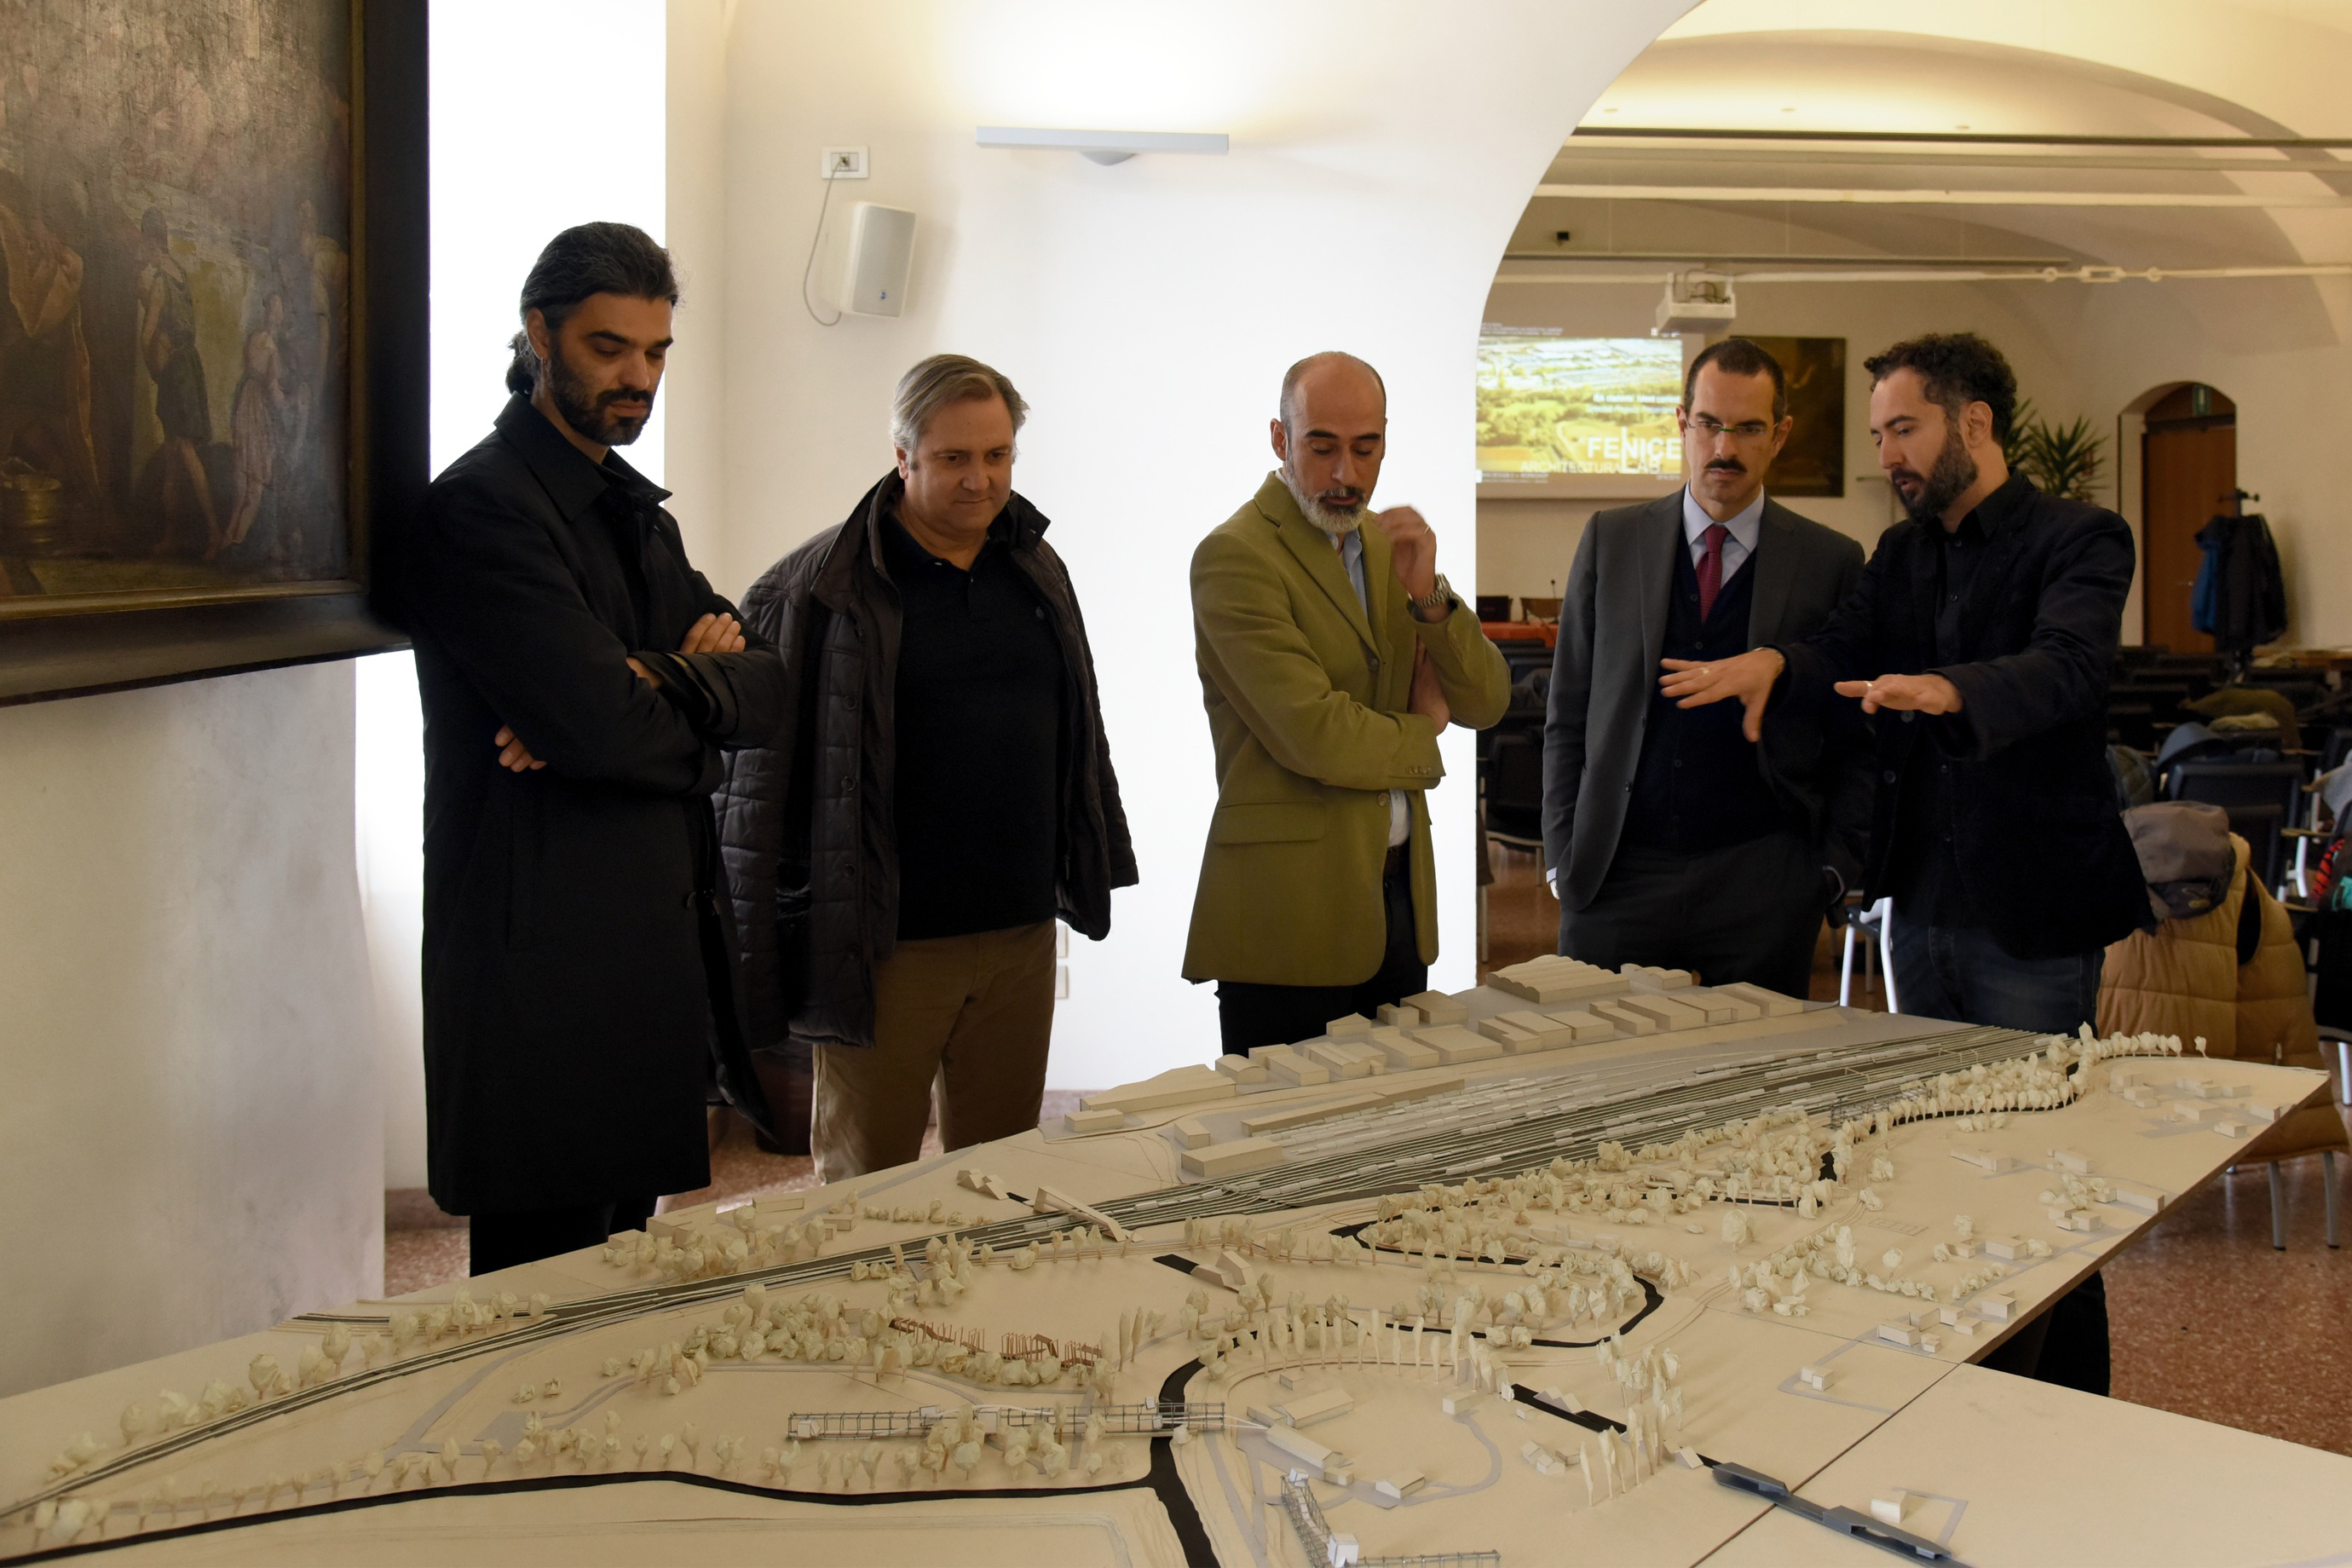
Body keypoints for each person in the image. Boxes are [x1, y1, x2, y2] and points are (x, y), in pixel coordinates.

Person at [1660, 330, 2143, 1392]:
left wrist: (1952, 689)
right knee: (1940, 1162)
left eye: (1905, 429)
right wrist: (1775, 662)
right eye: (1880, 435)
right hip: (1919, 906)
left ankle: (2067, 1396)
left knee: (2036, 1164)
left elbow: (2068, 668)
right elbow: (1842, 644)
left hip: (2032, 909)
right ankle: (1968, 1381)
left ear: (1973, 423)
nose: (1890, 455)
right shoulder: (1905, 553)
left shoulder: (2083, 536)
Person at [382, 222, 788, 1274]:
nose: (638, 379)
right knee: (534, 1304)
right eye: (611, 349)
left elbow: (768, 685)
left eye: (655, 354)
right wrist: (661, 710)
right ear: (539, 334)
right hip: (539, 964)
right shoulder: (479, 510)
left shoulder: (631, 513)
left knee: (616, 1278)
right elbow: (601, 727)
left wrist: (654, 678)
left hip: (640, 949)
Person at [718, 355, 1134, 1183]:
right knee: (868, 1189)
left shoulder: (1036, 568)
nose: (980, 481)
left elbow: (1079, 732)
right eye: (954, 459)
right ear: (903, 456)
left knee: (999, 1180)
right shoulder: (816, 588)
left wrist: (1084, 861)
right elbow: (753, 784)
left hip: (1018, 931)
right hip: (885, 949)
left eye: (998, 456)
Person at [1186, 351, 1512, 1052]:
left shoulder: (1386, 543)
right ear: (1280, 439)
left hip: (1397, 905)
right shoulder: (1235, 556)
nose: (1346, 475)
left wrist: (1428, 598)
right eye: (1322, 447)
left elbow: (1486, 701)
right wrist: (1424, 724)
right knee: (1285, 1149)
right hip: (1285, 916)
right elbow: (1316, 735)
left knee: (1391, 1144)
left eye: (1366, 449)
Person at [1543, 337, 1870, 999]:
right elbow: (1568, 709)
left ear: (1778, 435)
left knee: (1758, 1089)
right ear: (1681, 423)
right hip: (1617, 871)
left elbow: (1852, 733)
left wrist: (1828, 871)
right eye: (1710, 425)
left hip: (1763, 878)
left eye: (1748, 428)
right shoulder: (1612, 539)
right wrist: (1559, 856)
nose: (1725, 448)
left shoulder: (1830, 560)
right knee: (1593, 1078)